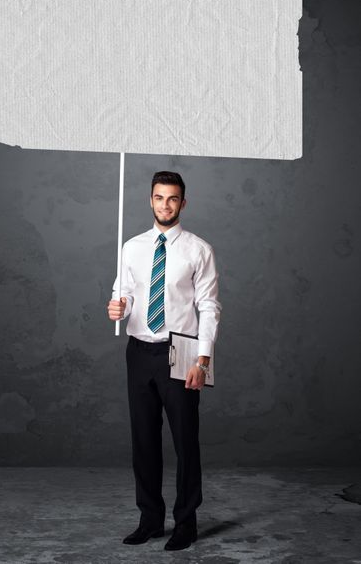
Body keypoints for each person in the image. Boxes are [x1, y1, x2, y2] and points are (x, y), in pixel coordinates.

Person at [107, 171, 221, 551]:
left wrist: (202, 361)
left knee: (186, 441)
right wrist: (116, 309)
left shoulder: (198, 249)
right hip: (139, 351)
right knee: (144, 441)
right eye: (159, 197)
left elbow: (209, 306)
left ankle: (185, 522)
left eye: (172, 199)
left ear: (182, 203)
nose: (165, 205)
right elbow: (124, 296)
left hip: (181, 351)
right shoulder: (132, 247)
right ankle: (150, 519)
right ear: (150, 200)